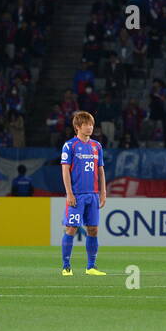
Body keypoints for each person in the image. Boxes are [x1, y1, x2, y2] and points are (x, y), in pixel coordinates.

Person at [60, 111, 107, 276]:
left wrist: (103, 192)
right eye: (87, 124)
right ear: (78, 127)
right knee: (71, 228)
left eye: (92, 125)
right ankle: (66, 267)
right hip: (77, 195)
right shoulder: (70, 145)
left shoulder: (97, 146)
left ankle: (91, 267)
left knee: (93, 229)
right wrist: (69, 193)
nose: (90, 127)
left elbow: (100, 170)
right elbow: (65, 170)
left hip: (93, 195)